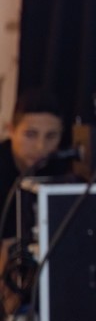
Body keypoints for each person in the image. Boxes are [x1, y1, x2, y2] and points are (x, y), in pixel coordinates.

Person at [0, 88, 67, 238]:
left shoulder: (64, 170)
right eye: (30, 135)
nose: (40, 147)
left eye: (51, 136)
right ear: (11, 130)